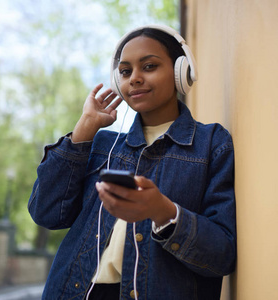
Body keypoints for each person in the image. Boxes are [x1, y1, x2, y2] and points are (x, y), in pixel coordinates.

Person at [28, 24, 236, 300]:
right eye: (125, 72)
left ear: (181, 71)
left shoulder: (211, 144)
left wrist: (164, 211)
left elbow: (221, 255)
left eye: (149, 66)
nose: (134, 78)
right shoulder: (102, 145)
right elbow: (47, 213)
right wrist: (84, 129)